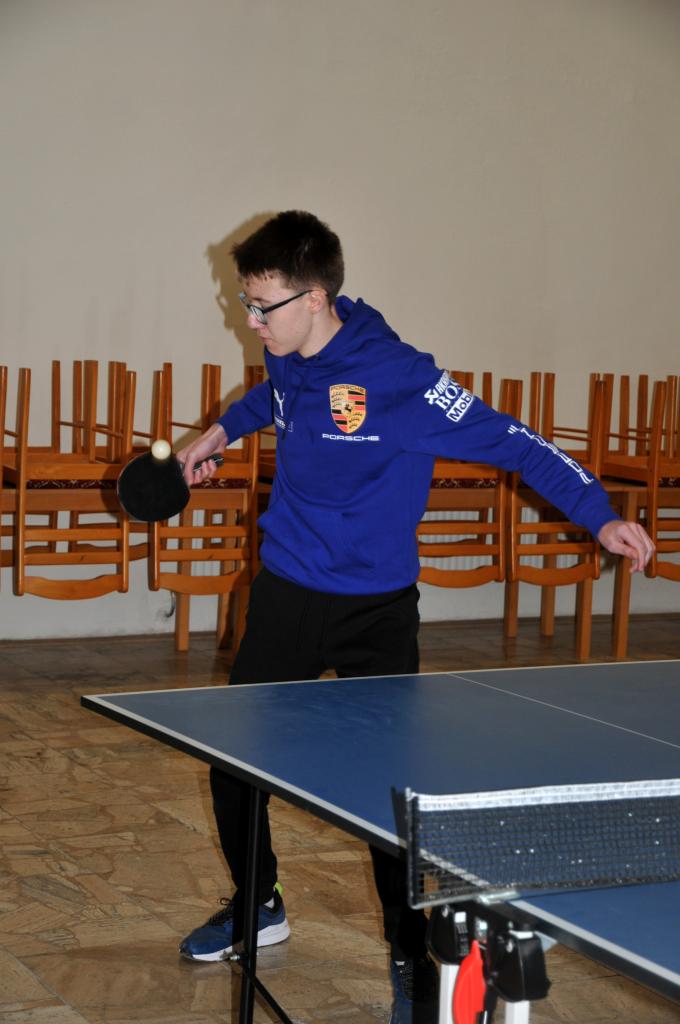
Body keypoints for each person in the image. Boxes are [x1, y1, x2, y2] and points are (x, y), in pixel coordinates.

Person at [176, 210, 654, 1023]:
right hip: (287, 592)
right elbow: (275, 399)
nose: (250, 320)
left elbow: (518, 442)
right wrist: (219, 430)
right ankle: (259, 901)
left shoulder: (400, 381)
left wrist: (599, 515)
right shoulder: (287, 347)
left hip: (376, 612)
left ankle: (410, 953)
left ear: (317, 298)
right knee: (233, 761)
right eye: (247, 303)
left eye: (262, 306)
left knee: (389, 799)